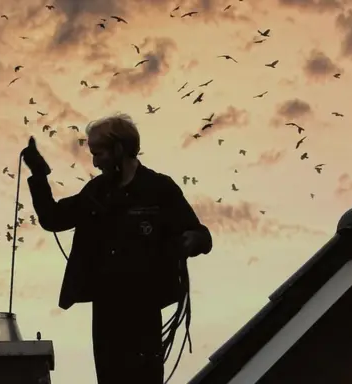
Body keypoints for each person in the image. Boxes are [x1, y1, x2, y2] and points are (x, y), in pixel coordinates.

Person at [21, 113, 212, 384]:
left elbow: (203, 236)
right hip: (106, 310)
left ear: (119, 150)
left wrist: (194, 239)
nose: (95, 162)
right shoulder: (96, 192)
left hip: (143, 310)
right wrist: (39, 176)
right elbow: (53, 218)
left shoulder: (159, 188)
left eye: (99, 154)